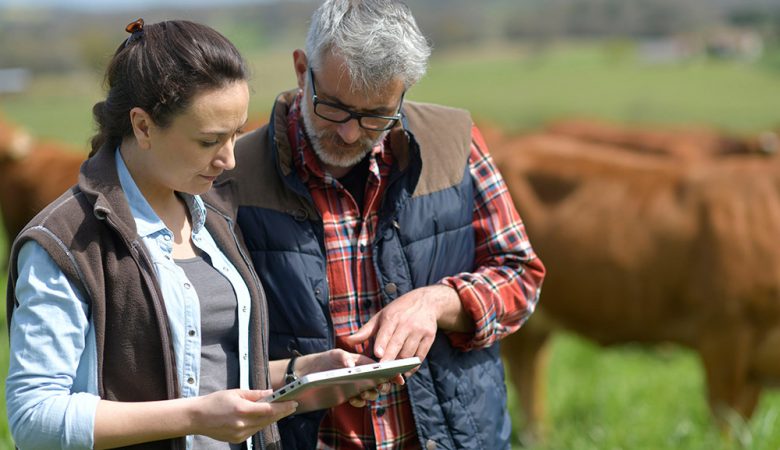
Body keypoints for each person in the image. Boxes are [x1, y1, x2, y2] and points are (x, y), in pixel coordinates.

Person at [4, 18, 380, 450]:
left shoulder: (212, 217)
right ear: (143, 127)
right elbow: (33, 420)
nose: (229, 159)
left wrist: (305, 373)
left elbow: (207, 372)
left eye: (236, 135)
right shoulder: (66, 241)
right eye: (208, 141)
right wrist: (195, 416)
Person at [212, 1, 547, 448]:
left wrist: (440, 302)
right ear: (300, 69)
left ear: (403, 92)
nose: (350, 133)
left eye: (375, 116)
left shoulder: (454, 143)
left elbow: (520, 276)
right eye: (333, 108)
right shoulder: (232, 177)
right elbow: (205, 343)